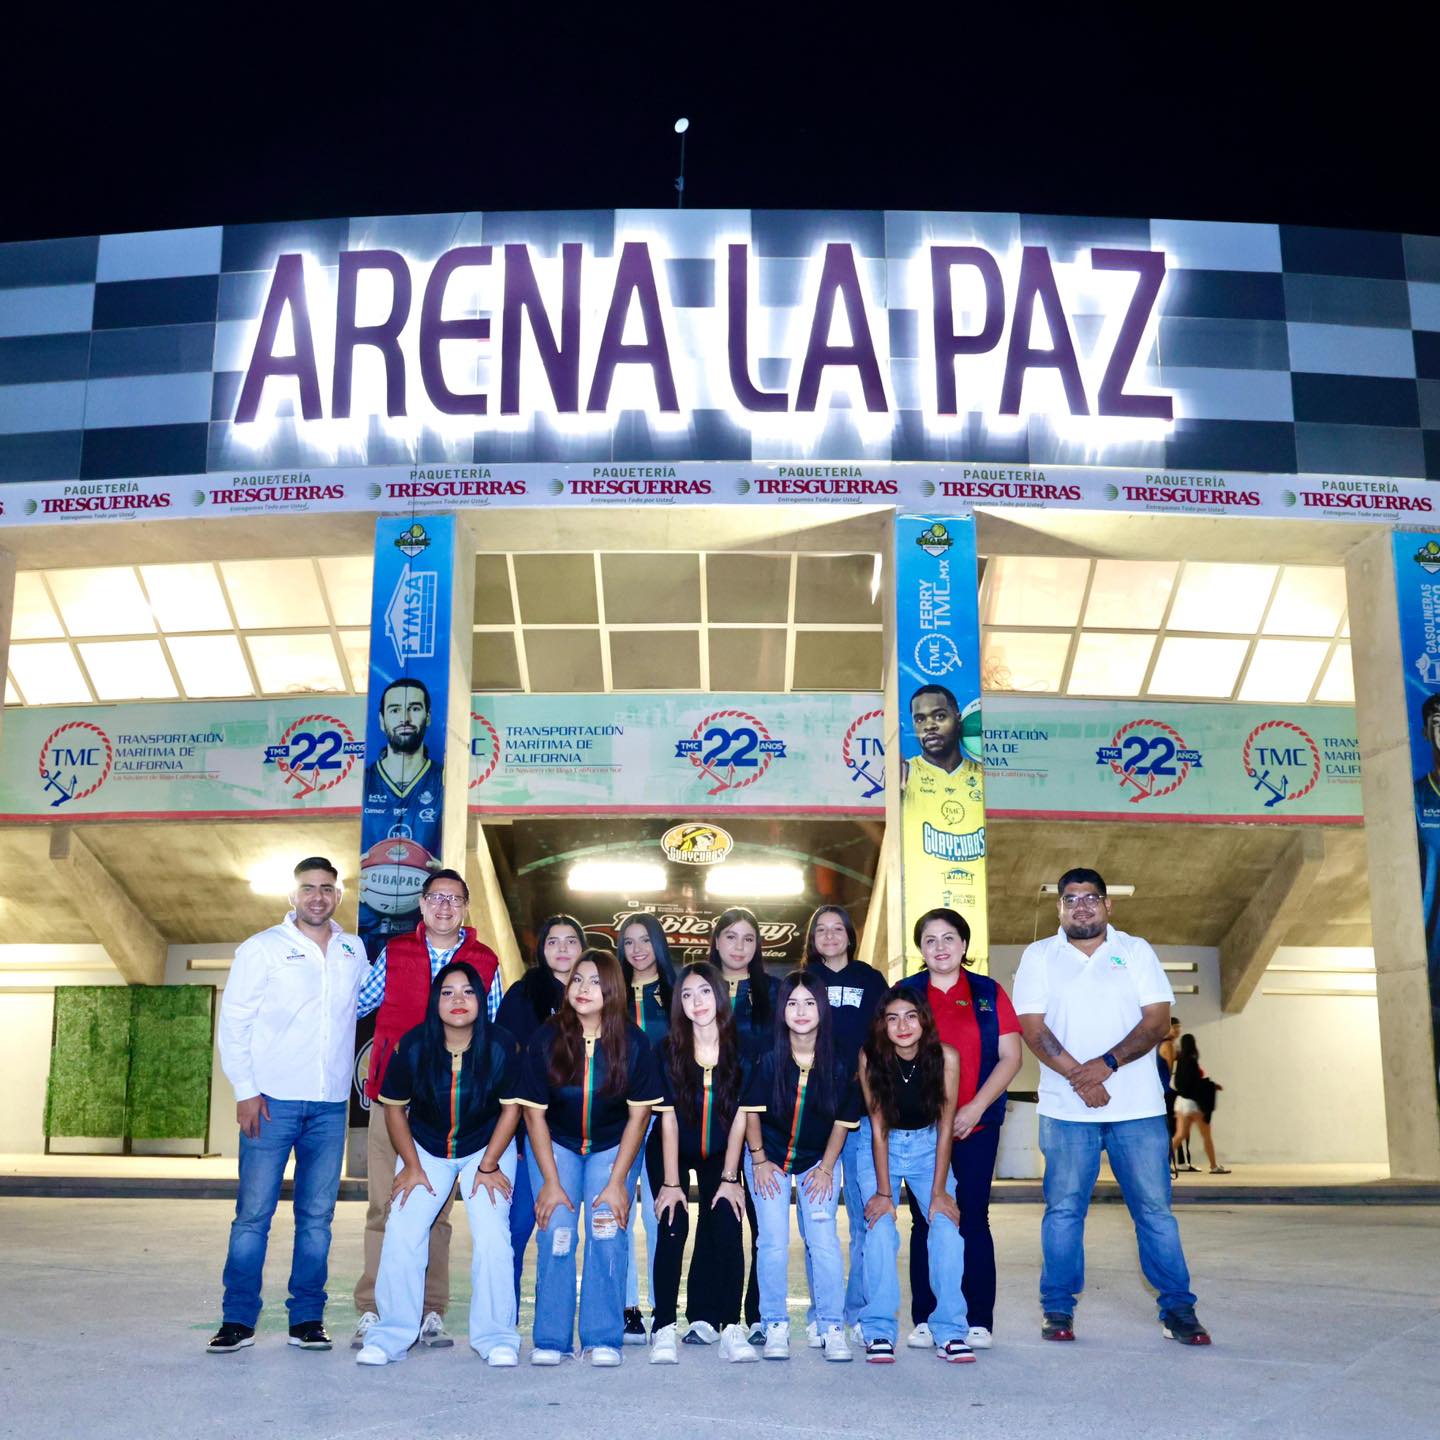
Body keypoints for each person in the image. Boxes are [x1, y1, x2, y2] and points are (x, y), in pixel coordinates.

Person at [1012, 868, 1211, 1346]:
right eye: (1071, 899)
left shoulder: (1135, 951)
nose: (1081, 906)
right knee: (1063, 1211)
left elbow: (1155, 1022)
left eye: (1091, 898)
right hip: (1065, 1111)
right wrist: (1081, 1079)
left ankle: (1178, 1309)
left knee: (1154, 1211)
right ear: (1059, 908)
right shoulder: (1039, 955)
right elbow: (1033, 1029)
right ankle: (1058, 1308)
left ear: (1107, 906)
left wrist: (1103, 1066)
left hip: (1137, 1110)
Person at [209, 858, 367, 1354]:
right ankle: (238, 1319)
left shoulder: (352, 949)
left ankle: (307, 1319)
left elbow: (363, 1010)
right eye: (307, 889)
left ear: (338, 894)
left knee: (317, 1219)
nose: (317, 897)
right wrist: (245, 1090)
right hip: (270, 1103)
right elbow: (234, 1023)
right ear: (292, 895)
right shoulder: (262, 948)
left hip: (329, 1106)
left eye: (326, 888)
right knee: (253, 1216)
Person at [352, 869, 502, 1350]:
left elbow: (493, 1027)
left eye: (454, 899)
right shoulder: (395, 953)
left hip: (456, 1102)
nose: (444, 907)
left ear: (466, 907)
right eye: (436, 898)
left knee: (438, 1212)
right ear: (421, 904)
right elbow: (356, 1004)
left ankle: (430, 1310)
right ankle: (375, 1308)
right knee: (388, 1203)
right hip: (393, 1099)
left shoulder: (484, 960)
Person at [355, 962, 523, 1367]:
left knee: (493, 1236)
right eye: (447, 992)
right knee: (402, 1229)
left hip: (486, 1150)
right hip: (426, 1150)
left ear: (481, 1001)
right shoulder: (414, 1045)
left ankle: (496, 1336)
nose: (458, 1000)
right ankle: (392, 1334)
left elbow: (511, 1108)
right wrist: (411, 1167)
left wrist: (488, 1165)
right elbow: (394, 1108)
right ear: (435, 1002)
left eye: (467, 991)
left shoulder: (501, 1045)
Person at [515, 948, 662, 1366]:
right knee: (557, 1232)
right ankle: (552, 1339)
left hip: (612, 1148)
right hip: (556, 1145)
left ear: (613, 989)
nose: (583, 989)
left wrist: (618, 1182)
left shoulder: (633, 1042)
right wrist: (550, 1181)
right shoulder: (548, 1036)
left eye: (596, 981)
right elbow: (534, 1113)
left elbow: (640, 1115)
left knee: (606, 1231)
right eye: (577, 980)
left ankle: (602, 1337)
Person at [900, 907, 1022, 1351]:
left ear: (965, 945)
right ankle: (927, 1316)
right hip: (920, 1128)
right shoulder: (906, 993)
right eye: (929, 940)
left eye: (948, 938)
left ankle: (977, 1318)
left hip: (977, 1123)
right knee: (925, 1219)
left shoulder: (989, 992)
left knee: (972, 1216)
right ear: (921, 949)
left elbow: (1011, 1058)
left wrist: (973, 1108)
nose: (940, 948)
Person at [741, 970, 862, 1363]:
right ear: (782, 1011)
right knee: (772, 1241)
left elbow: (843, 1123)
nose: (801, 1010)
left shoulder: (841, 1059)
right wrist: (758, 1159)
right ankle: (775, 1323)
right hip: (769, 1157)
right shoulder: (766, 1054)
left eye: (810, 1002)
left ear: (822, 1009)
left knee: (823, 1240)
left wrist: (827, 1169)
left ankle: (831, 1326)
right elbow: (752, 1113)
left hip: (817, 1160)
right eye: (792, 1003)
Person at [646, 962, 758, 1365]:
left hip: (722, 1152)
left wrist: (731, 1177)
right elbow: (669, 1119)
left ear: (720, 996)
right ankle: (662, 1327)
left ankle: (730, 1326)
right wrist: (672, 1184)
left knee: (727, 1221)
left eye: (705, 992)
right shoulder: (667, 1049)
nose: (697, 1002)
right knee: (673, 1224)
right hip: (672, 1149)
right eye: (688, 995)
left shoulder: (742, 1048)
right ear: (679, 1003)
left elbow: (742, 1117)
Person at [855, 987, 974, 1363]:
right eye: (892, 1018)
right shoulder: (870, 1057)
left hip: (927, 1147)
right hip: (880, 1147)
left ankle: (951, 1330)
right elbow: (877, 1129)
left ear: (923, 1019)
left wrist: (939, 1190)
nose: (902, 1025)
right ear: (883, 1025)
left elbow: (945, 1124)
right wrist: (885, 1194)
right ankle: (878, 1331)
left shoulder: (946, 1058)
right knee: (881, 1230)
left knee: (945, 1229)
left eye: (910, 1016)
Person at [799, 904, 886, 1336]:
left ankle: (858, 1311)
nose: (830, 936)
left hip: (864, 1114)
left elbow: (887, 1038)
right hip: (817, 1116)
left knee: (865, 1214)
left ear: (850, 936)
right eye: (821, 930)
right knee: (820, 1223)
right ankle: (822, 1313)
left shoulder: (870, 980)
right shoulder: (804, 983)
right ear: (812, 938)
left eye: (838, 929)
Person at [495, 914, 585, 1304]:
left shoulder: (599, 992)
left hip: (585, 1129)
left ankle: (557, 1315)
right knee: (518, 1226)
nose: (562, 949)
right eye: (553, 941)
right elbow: (506, 1062)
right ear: (541, 949)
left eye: (570, 941)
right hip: (531, 1129)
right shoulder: (523, 994)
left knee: (570, 1231)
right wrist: (512, 1132)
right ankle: (504, 1317)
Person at [708, 905, 777, 1339]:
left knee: (762, 1226)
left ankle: (759, 1316)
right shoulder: (696, 986)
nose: (739, 946)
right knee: (720, 1222)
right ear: (715, 942)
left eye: (748, 939)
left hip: (761, 1120)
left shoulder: (775, 990)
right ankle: (716, 1314)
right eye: (730, 937)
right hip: (709, 1118)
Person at [617, 911, 676, 1343]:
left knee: (659, 1215)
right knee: (619, 1210)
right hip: (618, 1120)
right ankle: (626, 1306)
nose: (637, 950)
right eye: (629, 942)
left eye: (645, 940)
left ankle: (663, 1308)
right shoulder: (610, 992)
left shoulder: (675, 994)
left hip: (663, 1118)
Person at [359, 679, 442, 950]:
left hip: (425, 929)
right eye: (395, 710)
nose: (405, 718)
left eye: (414, 708)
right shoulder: (361, 782)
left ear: (428, 717)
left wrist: (445, 870)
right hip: (366, 926)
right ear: (382, 720)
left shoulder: (445, 782)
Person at [1172, 1034, 1229, 1175]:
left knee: (1179, 1135)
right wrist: (1212, 1085)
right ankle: (1214, 1166)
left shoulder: (1179, 1061)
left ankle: (1162, 1163)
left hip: (1180, 1102)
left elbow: (1179, 1083)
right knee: (1206, 1136)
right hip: (1193, 1105)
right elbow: (1196, 1083)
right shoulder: (1191, 1061)